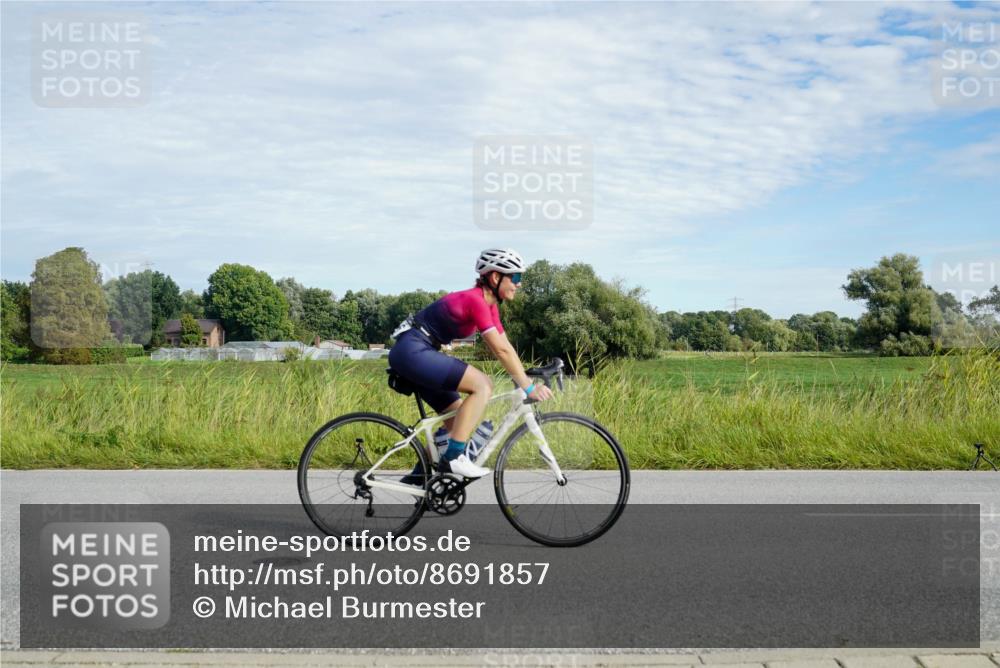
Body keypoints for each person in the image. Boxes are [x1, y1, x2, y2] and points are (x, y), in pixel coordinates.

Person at [387, 248, 553, 479]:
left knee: (457, 422)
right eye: (515, 277)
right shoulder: (475, 301)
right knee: (483, 385)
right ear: (496, 277)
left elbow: (507, 347)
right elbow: (500, 350)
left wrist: (526, 376)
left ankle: (418, 479)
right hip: (413, 351)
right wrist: (528, 387)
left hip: (418, 351)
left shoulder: (490, 306)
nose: (519, 284)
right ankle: (454, 458)